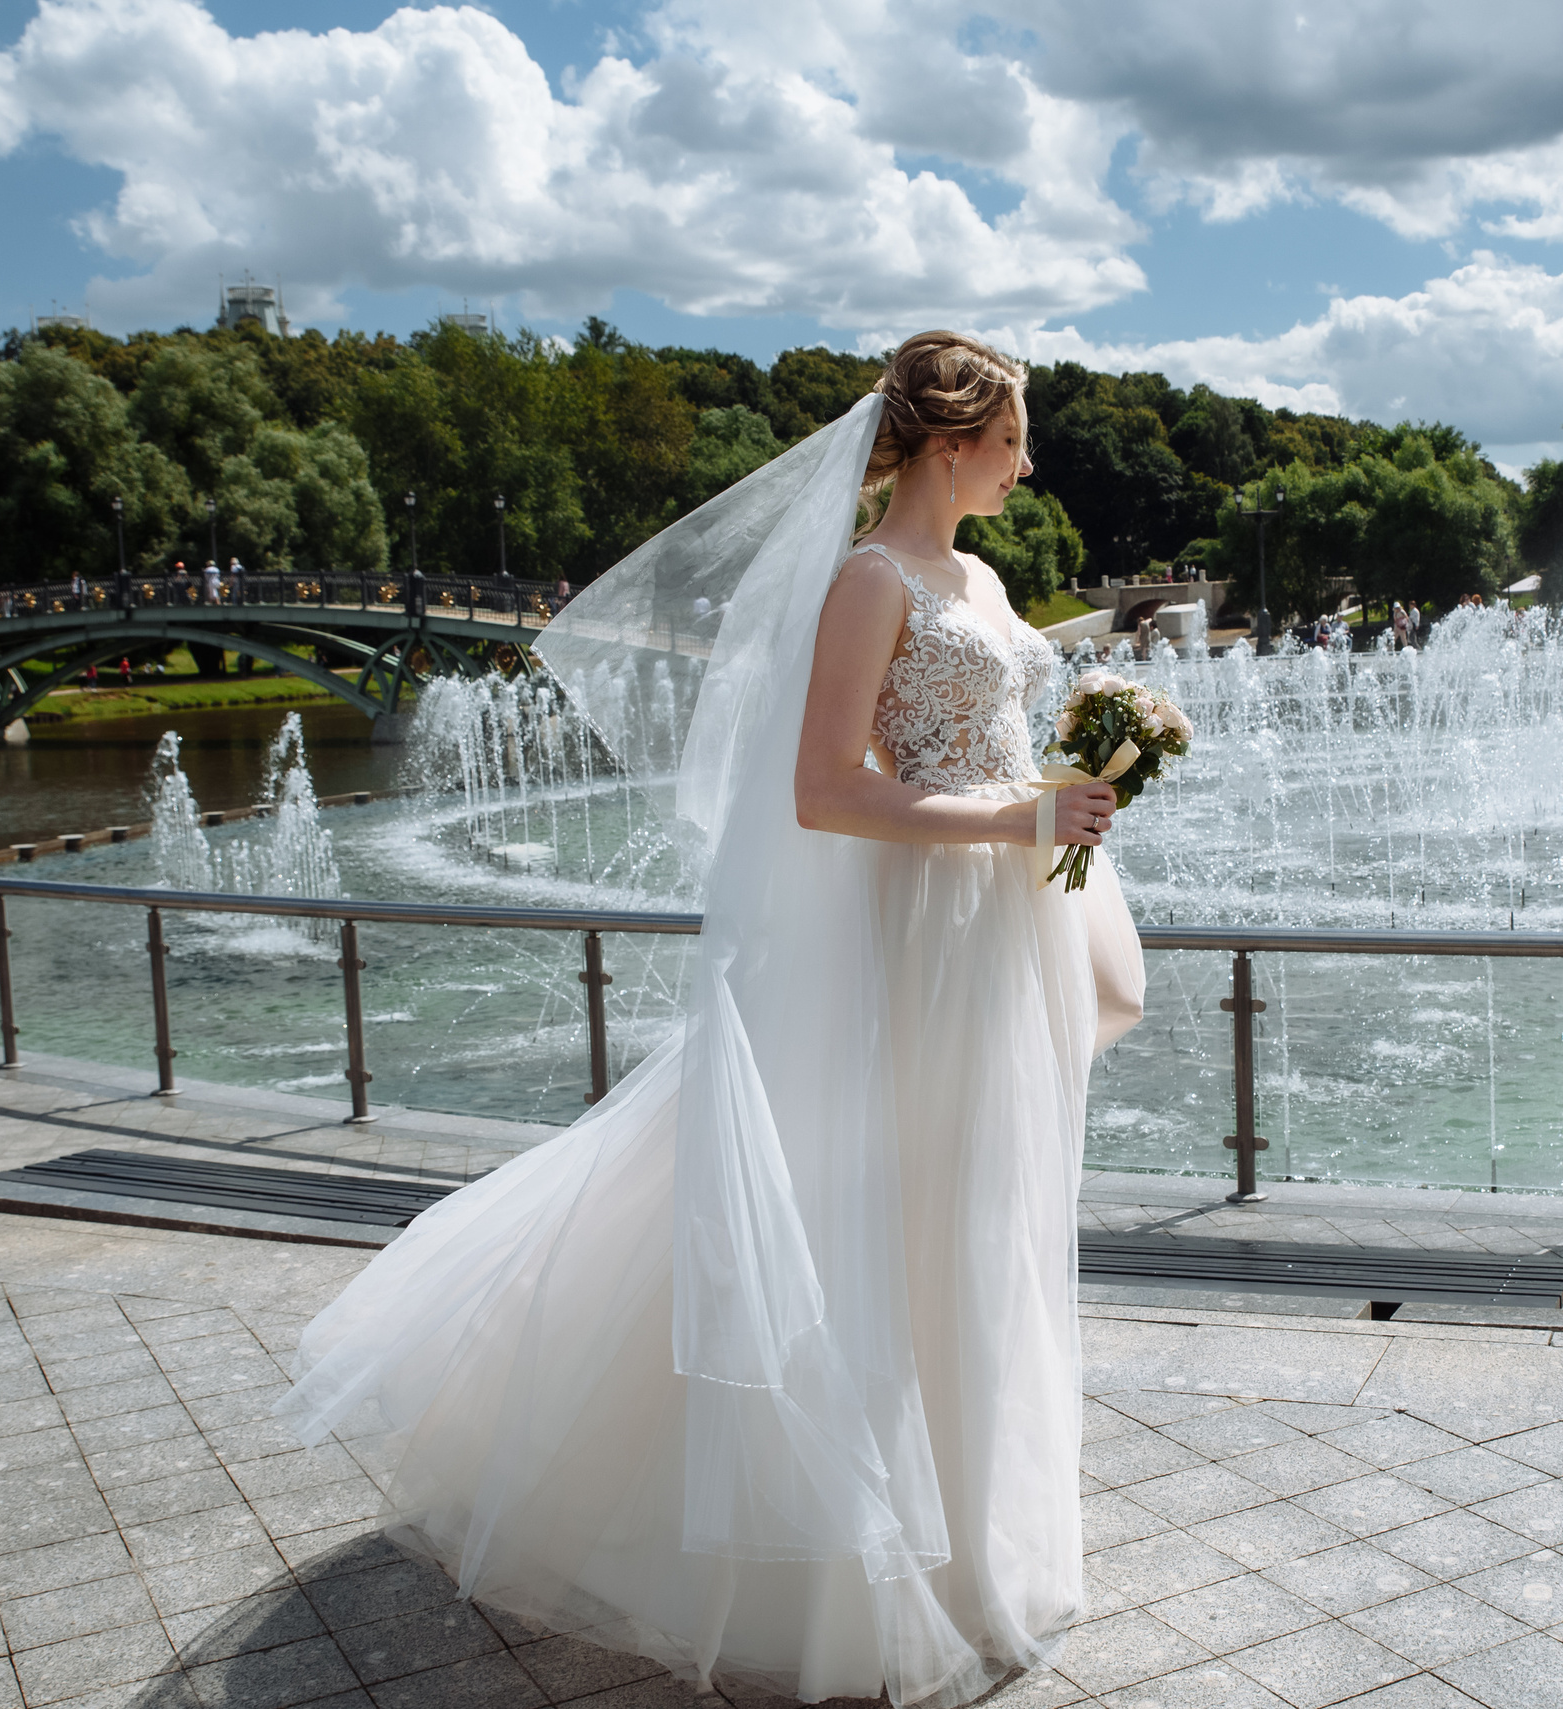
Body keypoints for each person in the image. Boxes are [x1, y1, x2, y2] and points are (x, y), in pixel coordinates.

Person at [281, 331, 1139, 1707]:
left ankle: (980, 1547)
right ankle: (881, 1572)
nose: (1030, 463)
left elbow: (984, 747)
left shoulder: (978, 576)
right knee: (899, 1228)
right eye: (1016, 438)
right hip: (915, 937)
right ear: (948, 441)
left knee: (985, 1222)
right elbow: (823, 790)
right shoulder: (868, 583)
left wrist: (1069, 792)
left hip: (997, 930)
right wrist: (1017, 813)